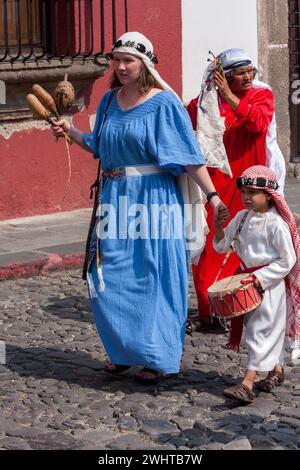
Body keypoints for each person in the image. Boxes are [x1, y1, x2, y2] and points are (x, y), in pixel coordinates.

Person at [52, 31, 229, 384]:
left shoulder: (163, 103)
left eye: (128, 60)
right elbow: (100, 145)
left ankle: (157, 356)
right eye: (115, 59)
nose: (119, 66)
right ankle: (123, 350)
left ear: (145, 63)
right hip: (114, 199)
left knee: (155, 276)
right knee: (110, 276)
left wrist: (213, 196)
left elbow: (188, 155)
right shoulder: (108, 101)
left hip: (155, 199)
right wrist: (70, 131)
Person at [187, 48, 286, 329]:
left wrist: (230, 98)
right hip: (217, 187)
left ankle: (244, 304)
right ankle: (211, 310)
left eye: (249, 71)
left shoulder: (261, 95)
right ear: (224, 78)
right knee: (211, 247)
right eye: (240, 73)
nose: (247, 77)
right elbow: (186, 119)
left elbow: (257, 123)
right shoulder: (207, 103)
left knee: (249, 245)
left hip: (250, 186)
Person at [213, 165, 299, 404]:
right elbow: (221, 246)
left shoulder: (276, 224)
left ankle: (247, 383)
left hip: (268, 288)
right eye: (243, 192)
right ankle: (277, 370)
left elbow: (287, 259)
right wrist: (218, 227)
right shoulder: (241, 219)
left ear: (269, 194)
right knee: (260, 331)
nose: (246, 197)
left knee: (261, 333)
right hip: (246, 285)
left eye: (252, 192)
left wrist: (260, 278)